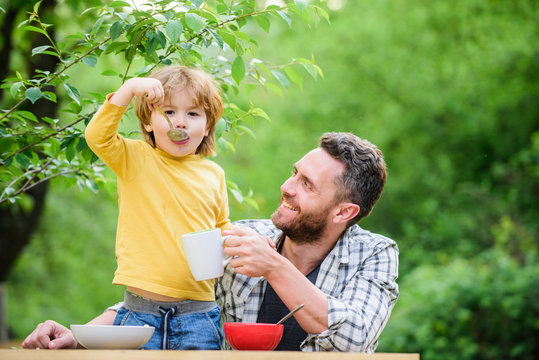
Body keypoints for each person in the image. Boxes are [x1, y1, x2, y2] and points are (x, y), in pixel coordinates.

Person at [22, 132, 398, 352]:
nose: (286, 187)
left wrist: (273, 266)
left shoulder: (375, 254)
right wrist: (78, 337)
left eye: (307, 185)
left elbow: (354, 339)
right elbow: (164, 301)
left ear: (343, 213)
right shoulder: (243, 238)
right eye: (294, 173)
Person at [83, 65, 232, 350]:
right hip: (139, 316)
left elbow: (222, 226)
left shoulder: (214, 174)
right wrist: (128, 90)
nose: (180, 122)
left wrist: (238, 241)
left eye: (193, 113)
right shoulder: (135, 158)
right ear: (148, 121)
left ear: (209, 126)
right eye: (169, 112)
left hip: (199, 317)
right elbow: (97, 137)